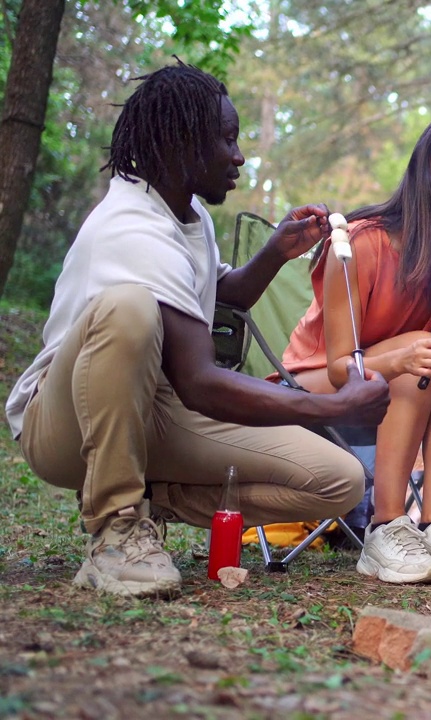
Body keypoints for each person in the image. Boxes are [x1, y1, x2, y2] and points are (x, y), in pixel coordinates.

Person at [4, 62, 391, 599]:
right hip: (67, 422)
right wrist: (334, 407)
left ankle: (152, 499)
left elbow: (220, 294)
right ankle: (115, 528)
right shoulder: (131, 226)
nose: (238, 156)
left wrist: (278, 251)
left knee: (338, 480)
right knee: (129, 308)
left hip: (154, 411)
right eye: (226, 140)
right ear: (180, 143)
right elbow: (200, 382)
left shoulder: (188, 215)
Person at [278, 112, 431, 585]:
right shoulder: (362, 240)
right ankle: (384, 528)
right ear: (426, 161)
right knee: (427, 346)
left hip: (404, 382)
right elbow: (341, 367)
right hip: (315, 386)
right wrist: (399, 358)